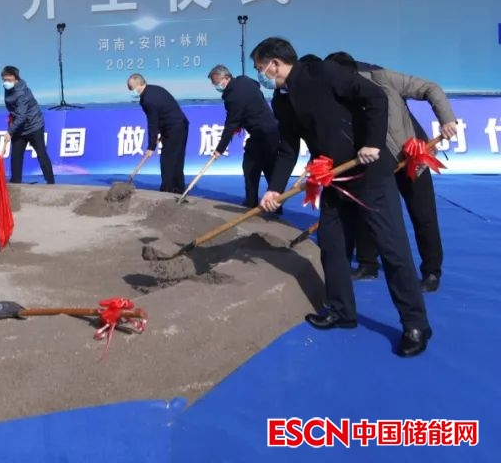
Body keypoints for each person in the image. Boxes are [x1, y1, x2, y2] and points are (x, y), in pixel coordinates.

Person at [253, 37, 431, 357]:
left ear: (274, 64)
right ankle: (341, 311)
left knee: (392, 249)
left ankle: (415, 323)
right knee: (332, 245)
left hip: (369, 173)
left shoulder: (323, 72)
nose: (260, 75)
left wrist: (372, 142)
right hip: (334, 178)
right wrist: (275, 189)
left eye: (260, 68)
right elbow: (288, 147)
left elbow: (375, 96)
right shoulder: (282, 100)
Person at [325, 52, 457, 292]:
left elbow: (431, 88)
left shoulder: (382, 77)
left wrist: (447, 120)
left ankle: (431, 271)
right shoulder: (335, 94)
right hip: (374, 162)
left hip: (411, 157)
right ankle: (368, 264)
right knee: (369, 212)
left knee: (423, 215)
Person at [207, 64, 281, 209]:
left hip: (261, 133)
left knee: (250, 167)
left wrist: (220, 149)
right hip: (273, 130)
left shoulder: (233, 97)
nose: (215, 86)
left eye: (216, 82)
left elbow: (231, 124)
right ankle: (276, 204)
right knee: (269, 167)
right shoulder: (244, 80)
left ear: (226, 78)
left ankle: (251, 202)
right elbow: (254, 89)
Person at [126, 74, 189, 194]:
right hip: (180, 125)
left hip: (174, 128)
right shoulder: (154, 89)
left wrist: (151, 146)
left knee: (168, 160)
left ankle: (168, 190)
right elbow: (162, 114)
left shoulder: (148, 100)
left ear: (139, 85)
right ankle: (178, 188)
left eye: (131, 88)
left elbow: (153, 123)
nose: (130, 91)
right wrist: (161, 132)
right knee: (176, 160)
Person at [1, 66, 54, 185]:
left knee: (41, 154)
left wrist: (10, 131)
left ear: (16, 79)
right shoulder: (8, 89)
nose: (6, 83)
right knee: (16, 156)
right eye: (4, 80)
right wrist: (11, 119)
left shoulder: (22, 93)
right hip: (20, 128)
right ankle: (15, 183)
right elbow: (14, 110)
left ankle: (51, 183)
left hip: (34, 125)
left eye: (9, 80)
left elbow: (22, 116)